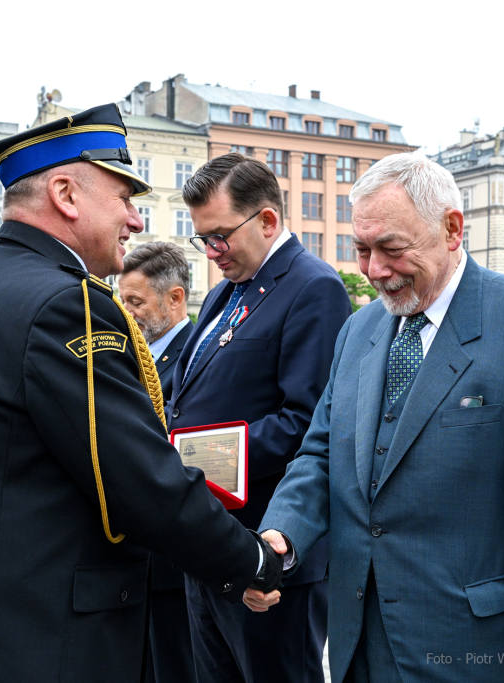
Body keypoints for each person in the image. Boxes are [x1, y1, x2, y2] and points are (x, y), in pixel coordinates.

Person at [0, 104, 282, 683]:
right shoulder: (66, 305)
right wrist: (251, 560)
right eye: (124, 198)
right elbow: (139, 480)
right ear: (65, 194)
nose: (134, 220)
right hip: (42, 639)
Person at [252, 152, 504, 683]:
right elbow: (320, 454)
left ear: (452, 229)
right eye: (361, 249)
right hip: (355, 642)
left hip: (472, 647)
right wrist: (282, 535)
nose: (374, 270)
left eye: (391, 249)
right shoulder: (358, 329)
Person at [165, 152, 350, 683]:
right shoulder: (226, 288)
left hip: (270, 550)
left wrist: (194, 457)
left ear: (268, 221)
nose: (211, 252)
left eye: (220, 235)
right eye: (203, 239)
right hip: (212, 541)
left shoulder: (313, 287)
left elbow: (308, 423)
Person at [118, 241, 197, 683]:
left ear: (175, 298)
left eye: (135, 301)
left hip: (169, 558)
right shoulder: (131, 351)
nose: (126, 312)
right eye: (121, 300)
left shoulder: (195, 355)